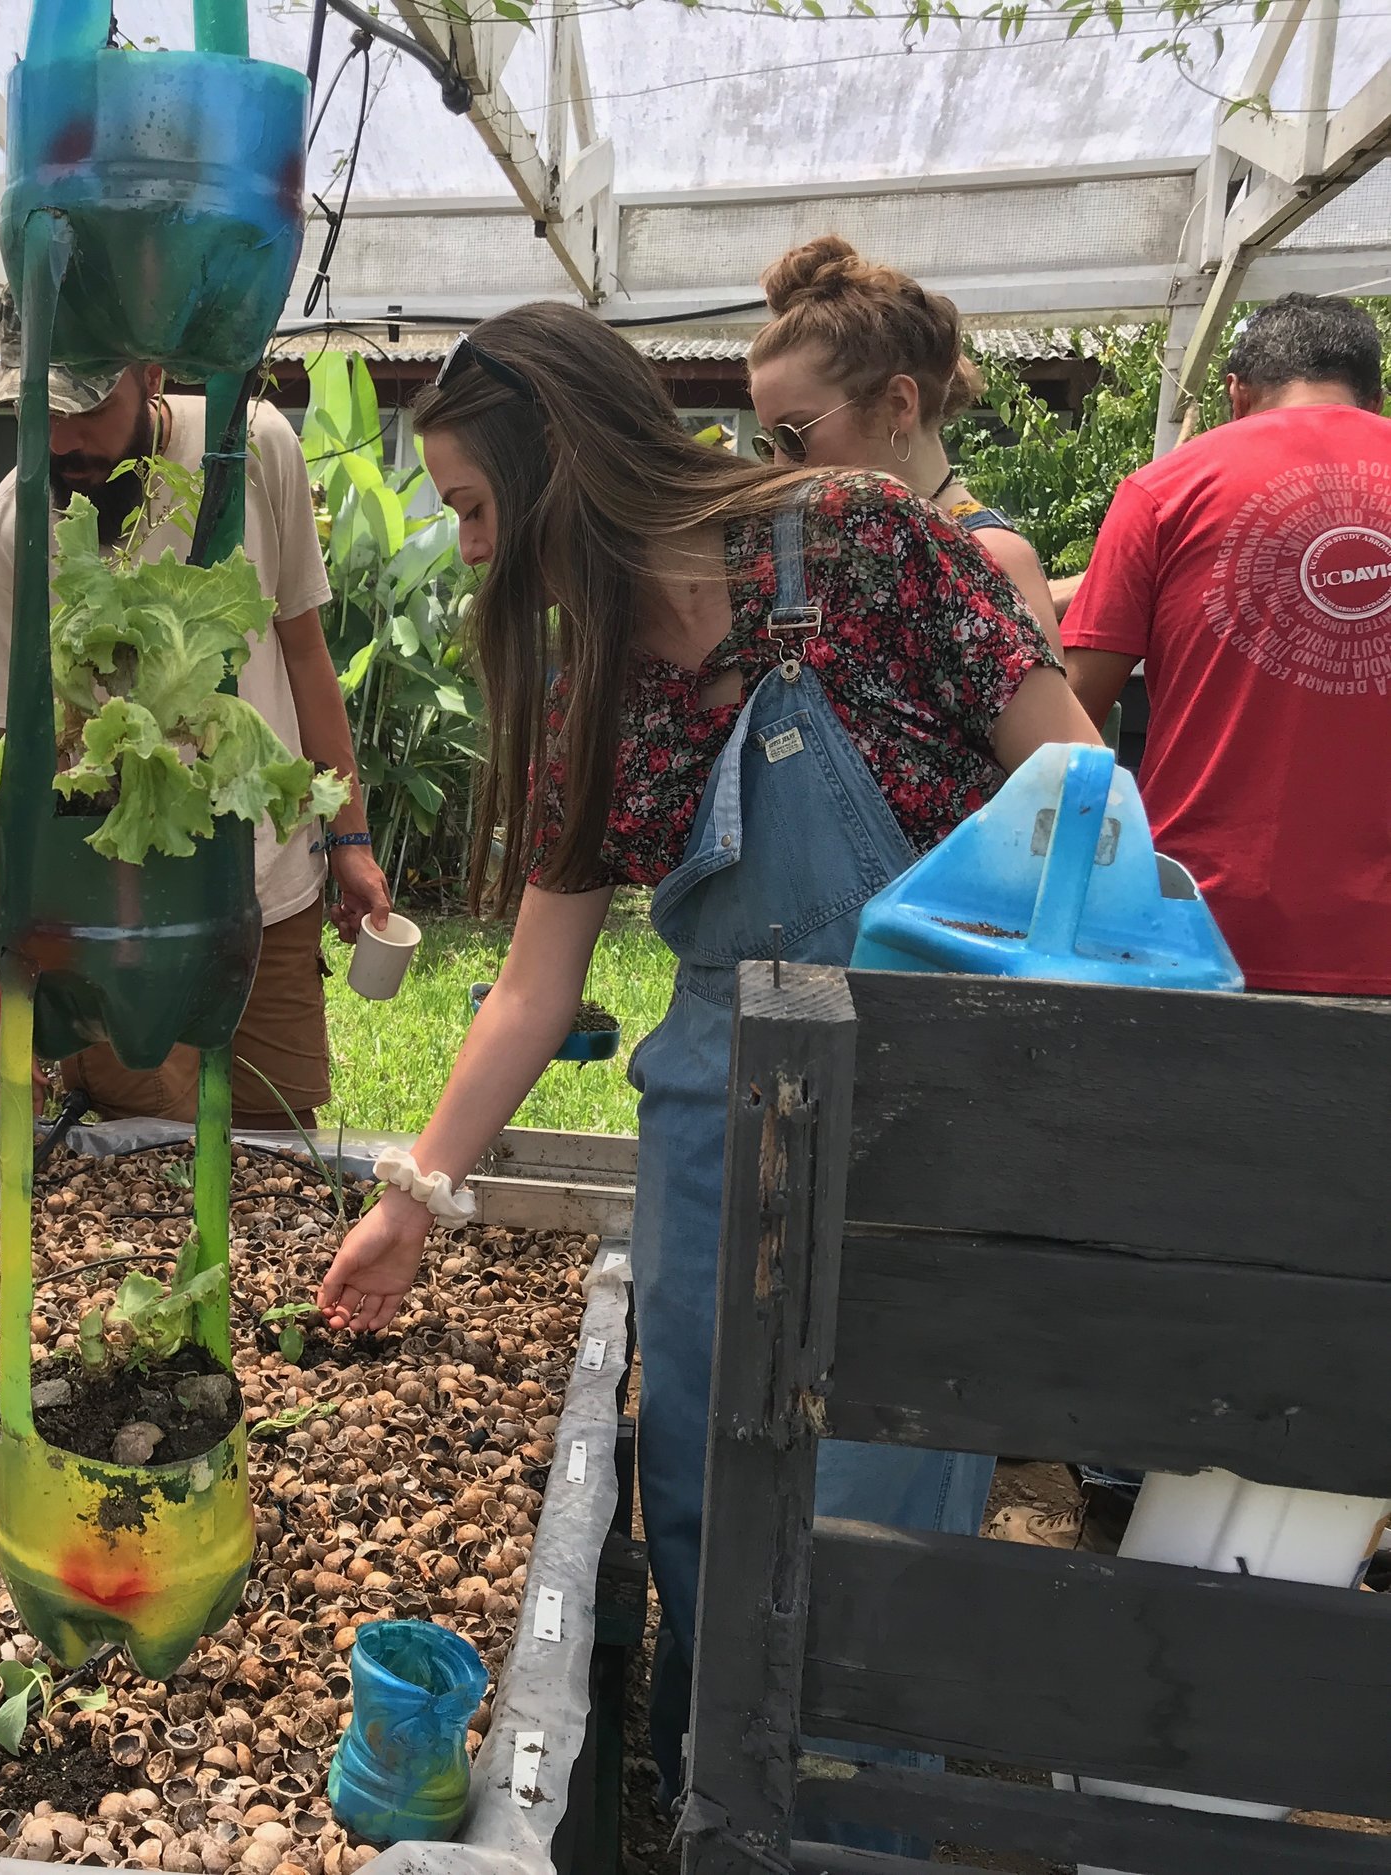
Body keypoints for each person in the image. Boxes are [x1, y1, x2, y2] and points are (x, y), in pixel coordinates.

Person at [310, 305, 1098, 1806]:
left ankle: (856, 1819)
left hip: (921, 1108)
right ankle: (719, 1805)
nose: (469, 550)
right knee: (698, 1489)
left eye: (476, 507)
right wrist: (413, 1195)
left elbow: (1075, 794)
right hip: (710, 1120)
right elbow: (533, 987)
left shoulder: (865, 544)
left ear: (558, 464)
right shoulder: (594, 682)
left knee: (871, 1507)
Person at [0, 301, 390, 1131]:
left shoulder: (254, 447)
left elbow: (303, 652)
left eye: (86, 409)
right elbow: (17, 764)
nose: (60, 439)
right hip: (115, 919)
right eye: (39, 412)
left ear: (153, 376)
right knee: (143, 1156)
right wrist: (28, 949)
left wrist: (351, 835)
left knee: (275, 1147)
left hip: (271, 885)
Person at [1060, 292, 1391, 998]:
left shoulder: (1165, 490)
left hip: (1201, 933)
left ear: (1237, 393)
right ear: (1376, 393)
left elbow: (1066, 719)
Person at [746, 235, 1063, 647]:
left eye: (793, 434)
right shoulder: (845, 547)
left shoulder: (987, 557)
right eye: (767, 442)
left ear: (898, 404)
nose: (779, 466)